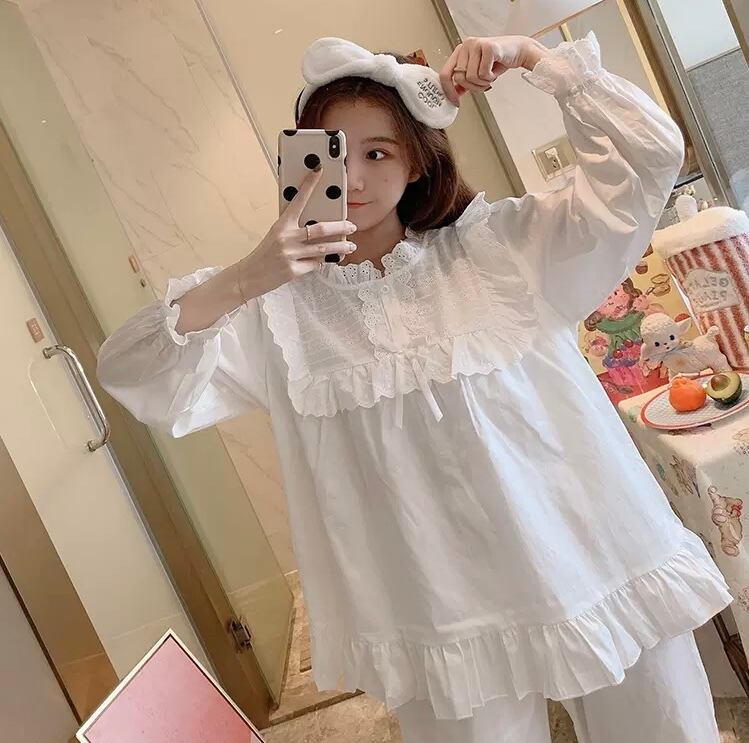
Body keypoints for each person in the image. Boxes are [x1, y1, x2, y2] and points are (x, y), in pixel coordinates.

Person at [97, 31, 732, 743]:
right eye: (333, 154)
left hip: (590, 555)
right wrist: (248, 276)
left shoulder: (502, 247)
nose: (354, 178)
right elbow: (134, 372)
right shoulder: (275, 316)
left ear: (416, 162)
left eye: (378, 152)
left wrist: (533, 58)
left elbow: (648, 159)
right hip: (438, 614)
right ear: (298, 163)